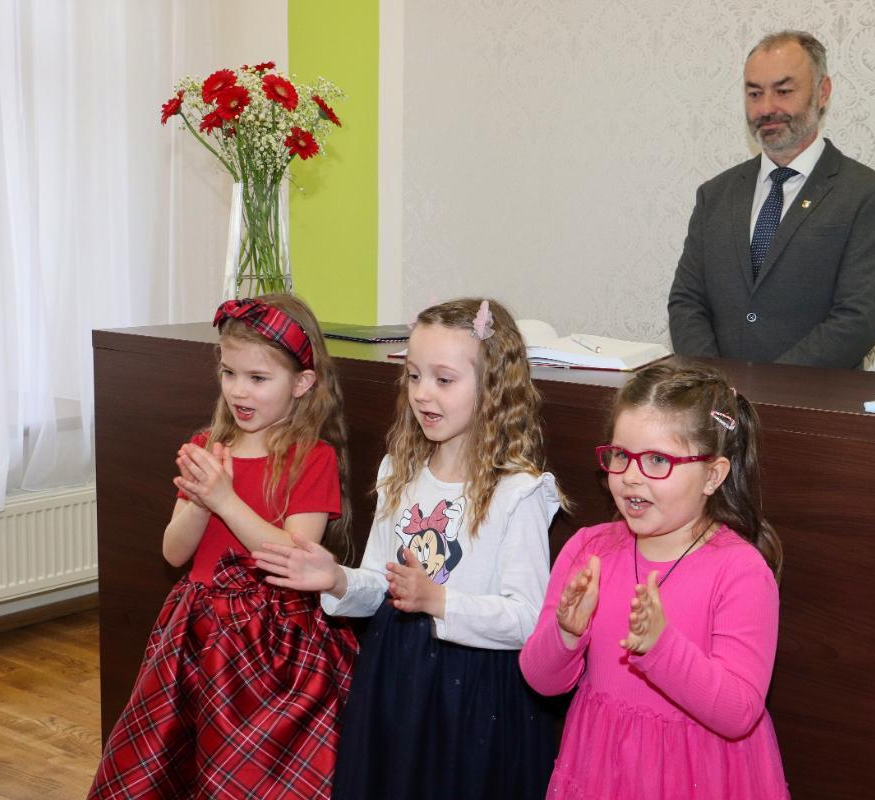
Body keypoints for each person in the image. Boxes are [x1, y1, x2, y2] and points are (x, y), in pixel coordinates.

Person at [252, 298, 562, 800]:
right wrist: (337, 578)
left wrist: (438, 600)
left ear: (493, 386)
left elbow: (529, 619)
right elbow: (381, 584)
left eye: (444, 379)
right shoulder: (399, 471)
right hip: (397, 676)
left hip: (474, 697)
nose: (422, 393)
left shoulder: (518, 493)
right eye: (414, 376)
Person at [88, 295, 358, 800]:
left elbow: (296, 554)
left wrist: (225, 500)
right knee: (175, 761)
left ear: (302, 383)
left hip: (274, 645)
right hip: (196, 634)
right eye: (229, 373)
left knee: (248, 773)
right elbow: (173, 553)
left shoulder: (312, 457)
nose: (238, 390)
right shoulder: (206, 446)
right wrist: (199, 502)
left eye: (258, 378)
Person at [519, 363, 789, 799]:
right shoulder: (589, 551)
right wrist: (566, 632)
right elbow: (540, 679)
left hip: (700, 776)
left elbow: (739, 711)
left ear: (713, 475)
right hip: (603, 770)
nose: (631, 475)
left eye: (658, 460)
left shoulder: (740, 571)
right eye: (621, 455)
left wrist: (661, 647)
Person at [668, 30, 875, 368]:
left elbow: (857, 318)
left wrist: (768, 387)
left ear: (822, 92)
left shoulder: (867, 195)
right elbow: (687, 301)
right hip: (716, 396)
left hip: (813, 397)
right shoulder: (715, 194)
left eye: (784, 91)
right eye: (754, 93)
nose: (766, 108)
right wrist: (715, 384)